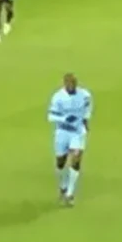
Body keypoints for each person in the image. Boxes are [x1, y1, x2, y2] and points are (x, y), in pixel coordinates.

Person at [47, 73, 93, 206]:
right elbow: (50, 116)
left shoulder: (84, 95)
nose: (71, 86)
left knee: (76, 158)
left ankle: (70, 194)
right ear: (65, 84)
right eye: (69, 84)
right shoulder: (58, 97)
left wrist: (85, 120)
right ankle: (63, 186)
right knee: (60, 162)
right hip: (62, 132)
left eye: (73, 84)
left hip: (77, 133)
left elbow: (87, 108)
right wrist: (64, 119)